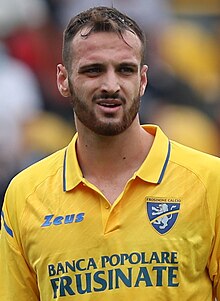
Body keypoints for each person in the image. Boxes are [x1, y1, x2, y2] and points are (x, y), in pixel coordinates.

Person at [0, 6, 219, 301]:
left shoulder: (210, 182)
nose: (111, 85)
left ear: (142, 80)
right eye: (94, 70)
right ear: (63, 79)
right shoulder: (25, 195)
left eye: (125, 70)